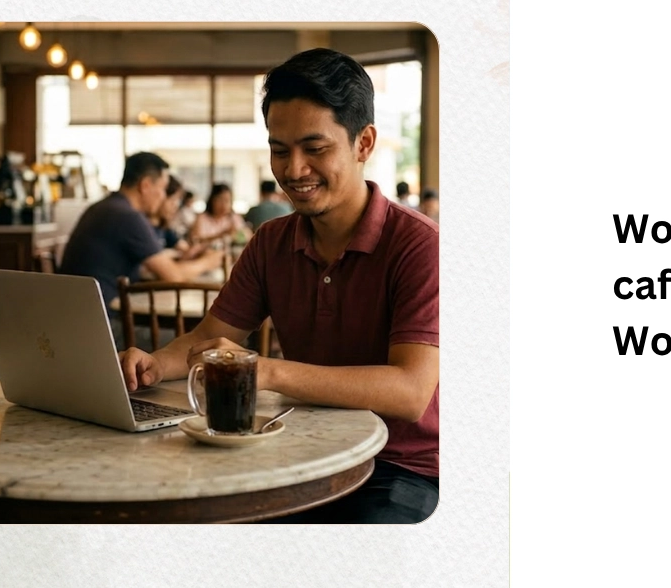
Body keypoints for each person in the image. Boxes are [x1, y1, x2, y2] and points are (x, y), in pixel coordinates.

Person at [118, 48, 439, 523]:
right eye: (279, 149)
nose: (293, 170)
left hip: (400, 467)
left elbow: (410, 392)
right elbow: (209, 337)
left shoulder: (418, 245)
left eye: (315, 148)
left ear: (363, 143)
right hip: (304, 451)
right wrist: (152, 363)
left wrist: (266, 372)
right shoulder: (271, 242)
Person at [60, 151, 225, 350]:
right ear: (145, 185)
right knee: (207, 343)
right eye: (163, 188)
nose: (164, 196)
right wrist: (209, 261)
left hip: (76, 322)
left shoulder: (103, 207)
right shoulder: (128, 217)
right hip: (101, 330)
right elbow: (174, 276)